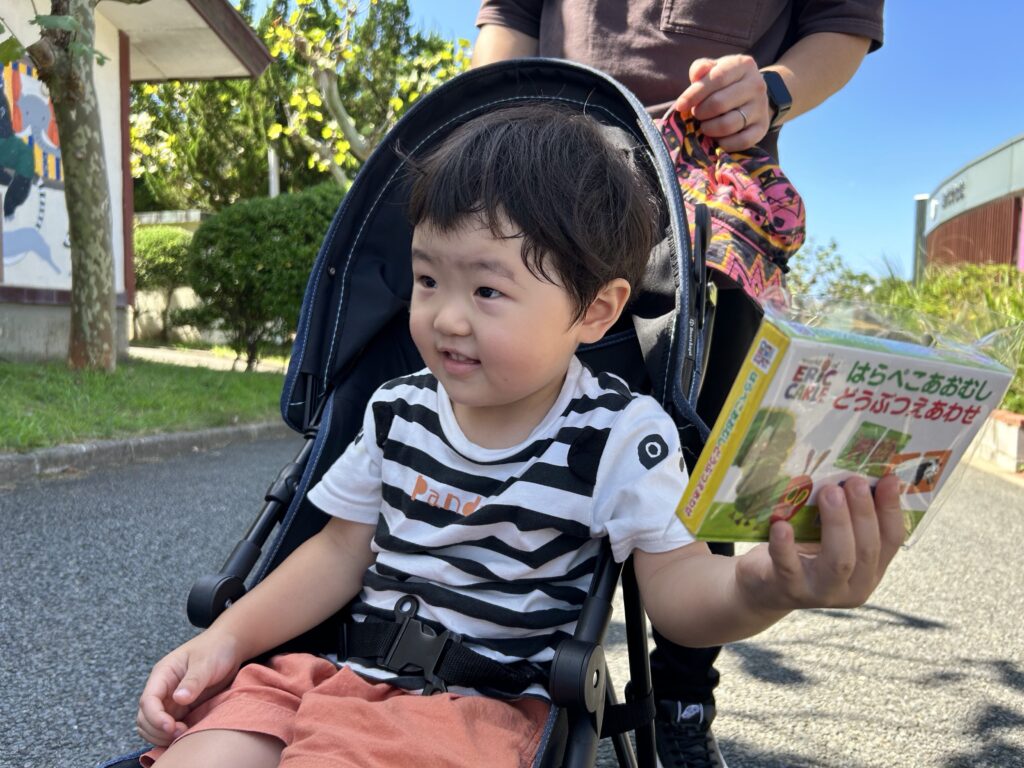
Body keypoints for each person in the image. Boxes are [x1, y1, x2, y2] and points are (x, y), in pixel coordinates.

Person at [134, 103, 904, 768]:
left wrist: (766, 587)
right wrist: (226, 639)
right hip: (334, 672)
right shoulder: (398, 407)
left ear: (597, 311)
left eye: (487, 289)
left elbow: (680, 593)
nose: (446, 317)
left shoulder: (619, 434)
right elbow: (339, 553)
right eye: (427, 280)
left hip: (473, 710)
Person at [472, 4, 884, 765]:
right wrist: (493, 124)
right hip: (547, 174)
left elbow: (843, 20)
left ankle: (683, 696)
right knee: (515, 423)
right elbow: (509, 17)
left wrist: (774, 88)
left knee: (701, 463)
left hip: (710, 213)